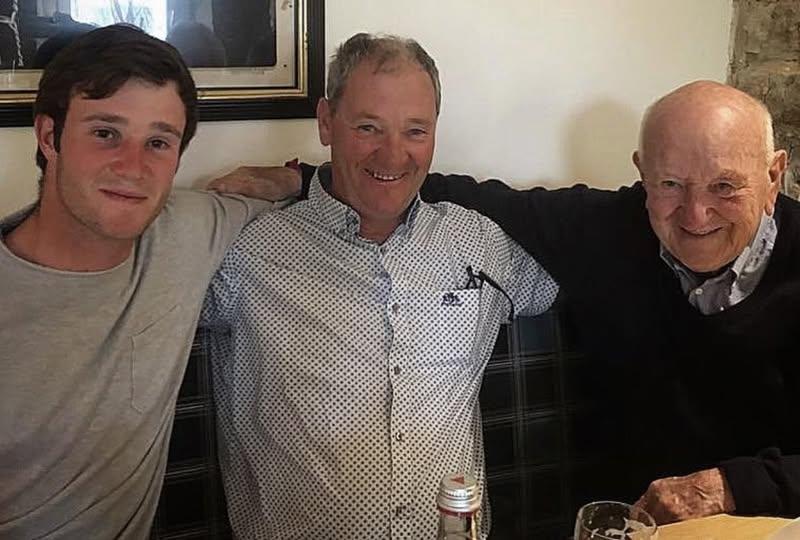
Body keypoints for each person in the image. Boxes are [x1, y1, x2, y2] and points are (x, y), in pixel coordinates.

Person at [272, 81, 800, 525]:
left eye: (725, 186)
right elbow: (476, 197)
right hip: (630, 525)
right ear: (642, 172)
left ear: (774, 175)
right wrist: (315, 179)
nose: (696, 213)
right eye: (670, 184)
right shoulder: (608, 229)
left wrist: (731, 487)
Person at [201, 32, 558, 539]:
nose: (393, 155)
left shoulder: (481, 244)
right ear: (326, 122)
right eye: (368, 127)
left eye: (415, 131)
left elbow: (592, 267)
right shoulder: (245, 250)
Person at [0, 25, 279, 538]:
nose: (133, 167)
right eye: (105, 133)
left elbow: (347, 191)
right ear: (49, 136)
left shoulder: (187, 229)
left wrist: (294, 175)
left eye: (158, 142)